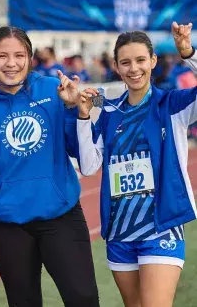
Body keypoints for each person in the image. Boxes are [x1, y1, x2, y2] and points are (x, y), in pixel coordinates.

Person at [0, 26, 99, 307]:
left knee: (83, 299)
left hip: (60, 215)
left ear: (30, 57)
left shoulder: (52, 88)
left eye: (19, 55)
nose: (11, 63)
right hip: (6, 223)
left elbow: (78, 151)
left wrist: (73, 110)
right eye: (2, 56)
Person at [76, 23, 197, 307]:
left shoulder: (171, 105)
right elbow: (89, 165)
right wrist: (83, 118)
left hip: (161, 228)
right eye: (126, 62)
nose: (134, 69)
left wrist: (188, 52)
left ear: (153, 61)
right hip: (120, 232)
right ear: (116, 67)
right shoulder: (109, 112)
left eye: (141, 60)